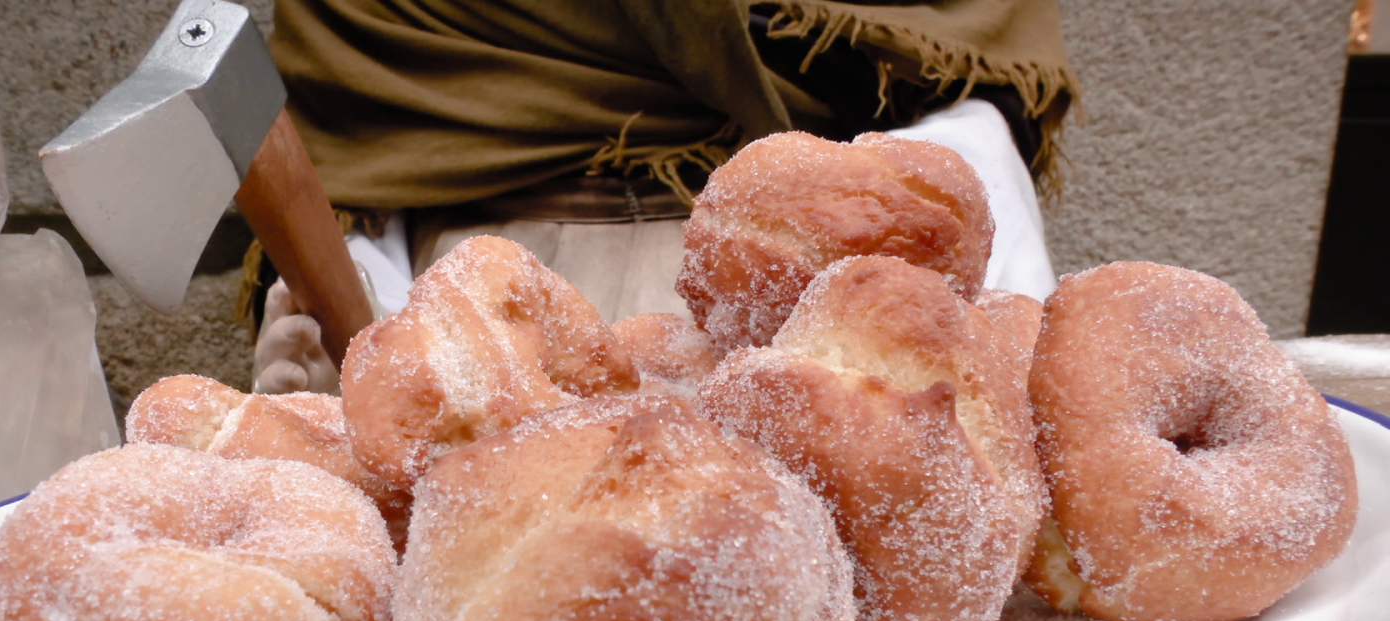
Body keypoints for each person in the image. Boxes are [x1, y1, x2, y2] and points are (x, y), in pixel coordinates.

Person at [247, 0, 1081, 394]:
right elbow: (355, 156)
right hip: (484, 321)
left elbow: (960, 125)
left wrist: (989, 335)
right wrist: (365, 347)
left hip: (808, 303)